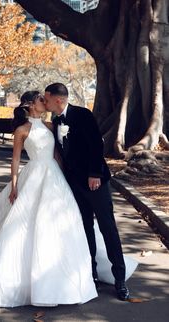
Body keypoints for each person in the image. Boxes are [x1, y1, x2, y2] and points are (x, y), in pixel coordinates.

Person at [0, 91, 98, 307]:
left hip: (55, 178)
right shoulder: (22, 130)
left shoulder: (51, 126)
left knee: (58, 222)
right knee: (23, 224)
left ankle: (61, 279)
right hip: (32, 175)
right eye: (42, 100)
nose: (45, 103)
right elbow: (14, 160)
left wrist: (69, 178)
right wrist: (14, 185)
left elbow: (58, 155)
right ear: (31, 105)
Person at [44, 83, 132, 301]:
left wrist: (94, 174)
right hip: (74, 184)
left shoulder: (82, 114)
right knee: (84, 229)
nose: (44, 103)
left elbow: (95, 144)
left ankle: (119, 279)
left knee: (107, 228)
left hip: (95, 182)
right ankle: (90, 274)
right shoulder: (56, 121)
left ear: (58, 100)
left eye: (46, 99)